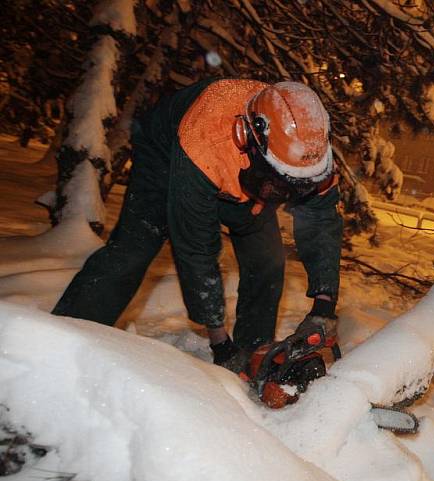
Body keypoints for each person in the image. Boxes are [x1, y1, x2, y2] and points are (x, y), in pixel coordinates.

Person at [53, 78, 342, 372]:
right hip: (165, 162)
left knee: (268, 261)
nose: (288, 196)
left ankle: (254, 351)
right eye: (282, 183)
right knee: (132, 251)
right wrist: (220, 343)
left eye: (294, 184)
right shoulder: (205, 141)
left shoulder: (308, 150)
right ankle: (64, 336)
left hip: (248, 178)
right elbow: (195, 250)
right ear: (248, 139)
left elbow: (322, 221)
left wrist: (324, 307)